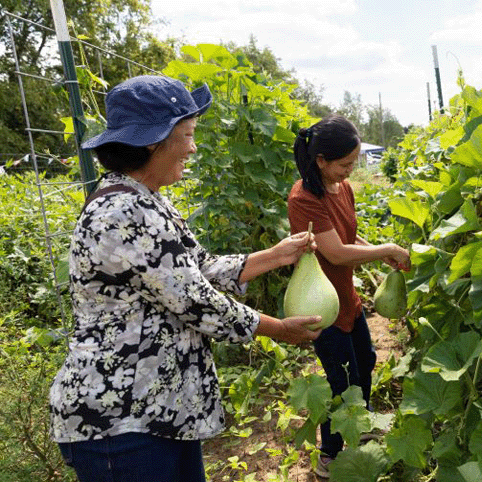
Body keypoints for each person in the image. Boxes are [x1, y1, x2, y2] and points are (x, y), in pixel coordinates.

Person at [49, 75, 323, 482]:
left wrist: (276, 255)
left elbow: (198, 269)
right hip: (120, 419)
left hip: (160, 409)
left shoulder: (146, 200)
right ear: (152, 142)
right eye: (188, 135)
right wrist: (277, 329)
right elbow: (196, 300)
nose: (193, 148)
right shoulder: (125, 212)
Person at [287, 114, 411, 479]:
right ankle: (330, 454)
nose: (350, 171)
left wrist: (376, 250)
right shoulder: (303, 198)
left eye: (354, 163)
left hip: (346, 296)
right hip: (319, 305)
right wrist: (386, 246)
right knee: (342, 382)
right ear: (321, 160)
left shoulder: (344, 189)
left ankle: (360, 424)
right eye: (344, 164)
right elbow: (336, 253)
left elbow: (346, 237)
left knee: (367, 359)